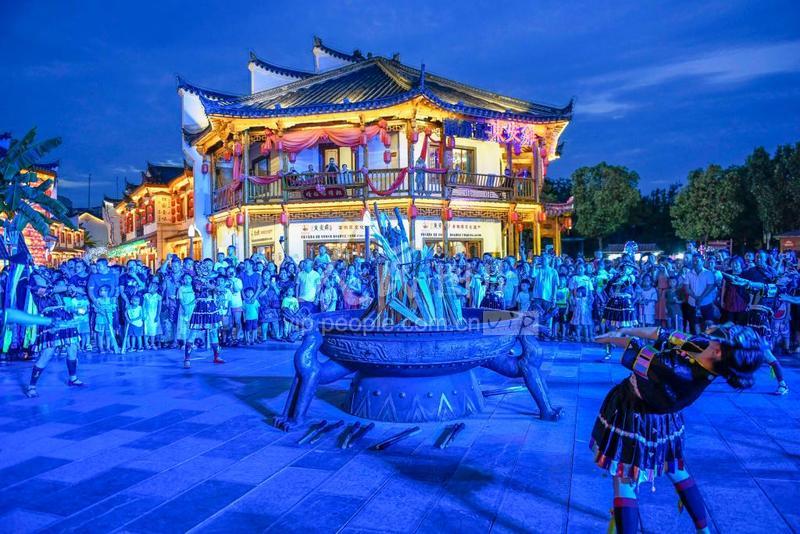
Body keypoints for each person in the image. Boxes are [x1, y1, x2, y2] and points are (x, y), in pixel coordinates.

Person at [592, 324, 765, 533]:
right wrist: (626, 329)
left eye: (721, 336)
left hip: (635, 417)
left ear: (718, 351)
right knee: (676, 470)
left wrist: (611, 337)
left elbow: (635, 348)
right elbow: (663, 333)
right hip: (664, 423)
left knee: (624, 478)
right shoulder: (705, 355)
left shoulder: (674, 369)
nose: (713, 330)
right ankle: (704, 531)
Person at [25, 273, 85, 398]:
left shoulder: (57, 288)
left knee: (73, 349)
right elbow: (49, 290)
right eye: (39, 276)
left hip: (67, 320)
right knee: (47, 353)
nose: (42, 277)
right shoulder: (35, 289)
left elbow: (69, 298)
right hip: (51, 322)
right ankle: (32, 386)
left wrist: (72, 292)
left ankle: (73, 378)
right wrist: (69, 287)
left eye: (42, 276)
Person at [184, 259, 224, 368]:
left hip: (211, 306)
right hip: (200, 307)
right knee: (193, 332)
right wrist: (210, 284)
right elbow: (199, 288)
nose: (207, 268)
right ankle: (187, 359)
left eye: (210, 265)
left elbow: (219, 289)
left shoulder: (213, 278)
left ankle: (216, 356)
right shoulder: (195, 279)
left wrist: (215, 285)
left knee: (213, 332)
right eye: (205, 266)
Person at [142, 282, 162, 349]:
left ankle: (152, 344)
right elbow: (143, 306)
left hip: (154, 315)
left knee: (153, 329)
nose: (149, 288)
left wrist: (157, 316)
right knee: (146, 329)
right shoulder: (146, 295)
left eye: (151, 287)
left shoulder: (158, 297)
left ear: (156, 288)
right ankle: (146, 344)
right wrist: (143, 314)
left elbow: (159, 307)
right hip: (146, 315)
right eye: (149, 286)